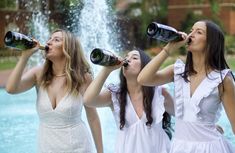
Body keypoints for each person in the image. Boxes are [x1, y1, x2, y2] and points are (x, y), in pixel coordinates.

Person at [138, 20, 235, 153]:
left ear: (211, 43)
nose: (191, 34)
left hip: (211, 148)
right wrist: (168, 49)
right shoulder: (177, 71)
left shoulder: (223, 79)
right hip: (180, 147)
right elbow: (143, 79)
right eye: (191, 30)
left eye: (199, 32)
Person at [6, 29, 103, 153]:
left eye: (56, 40)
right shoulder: (38, 74)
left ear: (68, 48)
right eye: (49, 39)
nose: (49, 42)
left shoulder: (82, 78)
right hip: (47, 148)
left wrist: (100, 151)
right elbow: (11, 89)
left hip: (78, 147)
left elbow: (93, 117)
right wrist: (24, 57)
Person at [83, 49, 174, 153]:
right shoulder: (115, 95)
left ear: (146, 66)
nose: (127, 59)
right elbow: (88, 100)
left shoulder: (159, 93)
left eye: (134, 57)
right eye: (126, 57)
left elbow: (184, 115)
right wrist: (107, 70)